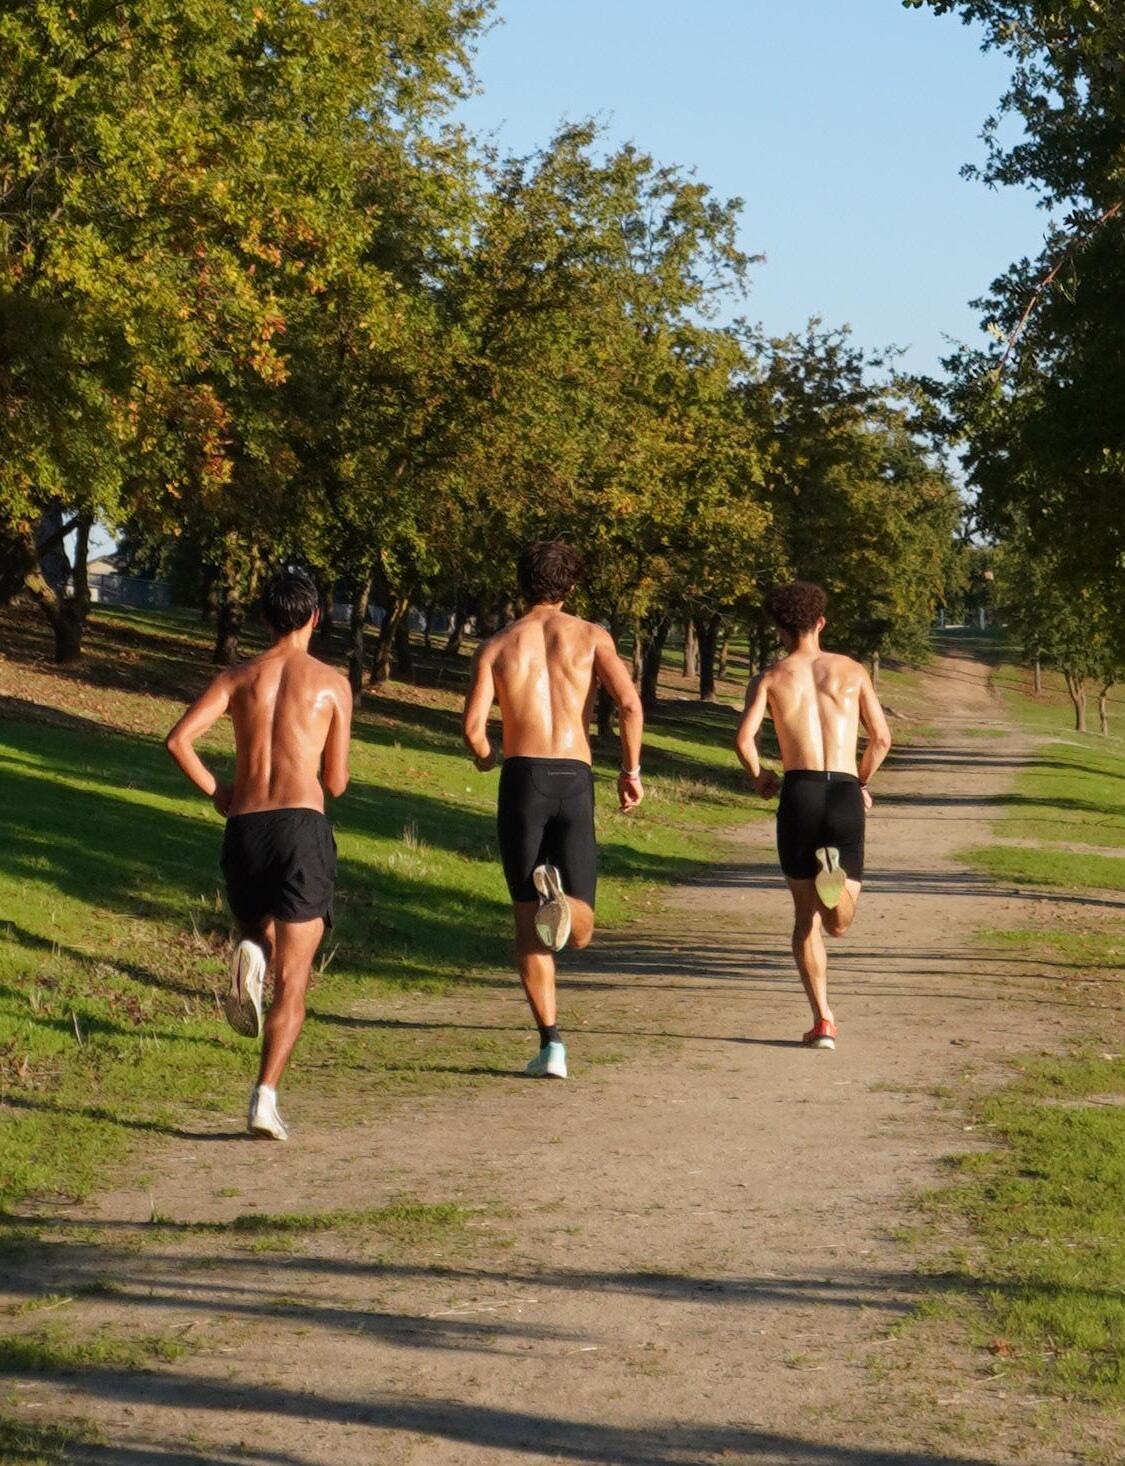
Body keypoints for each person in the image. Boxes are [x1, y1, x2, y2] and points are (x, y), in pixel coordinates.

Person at [165, 568, 352, 1139]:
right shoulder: (331, 683)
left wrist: (218, 791)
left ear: (265, 619)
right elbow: (336, 782)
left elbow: (178, 741)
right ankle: (264, 1097)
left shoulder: (236, 677)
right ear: (315, 616)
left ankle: (251, 952)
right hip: (301, 828)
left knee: (259, 934)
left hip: (245, 828)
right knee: (295, 979)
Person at [462, 541, 644, 1079]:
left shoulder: (496, 646)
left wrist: (489, 757)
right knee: (581, 931)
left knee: (527, 925)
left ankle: (552, 1045)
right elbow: (629, 704)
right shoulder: (593, 637)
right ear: (571, 585)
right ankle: (563, 902)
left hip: (524, 779)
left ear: (522, 583)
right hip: (574, 777)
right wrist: (630, 771)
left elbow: (472, 730)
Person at [735, 581, 892, 1050]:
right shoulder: (852, 671)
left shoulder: (769, 677)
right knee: (839, 923)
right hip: (842, 792)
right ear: (821, 622)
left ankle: (823, 1020)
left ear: (780, 629)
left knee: (805, 917)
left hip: (799, 793)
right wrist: (861, 782)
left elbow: (743, 741)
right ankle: (834, 877)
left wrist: (759, 776)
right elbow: (882, 739)